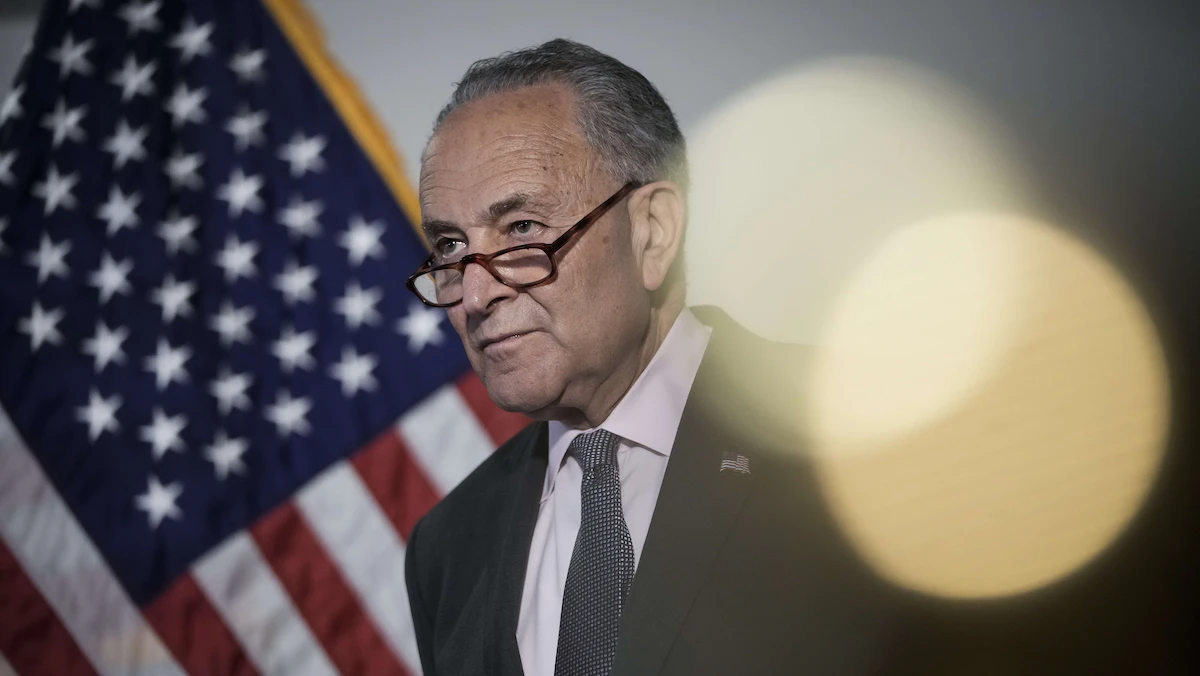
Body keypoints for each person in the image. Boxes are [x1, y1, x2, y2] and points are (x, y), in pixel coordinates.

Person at [402, 39, 904, 676]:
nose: (475, 295)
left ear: (653, 232)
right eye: (451, 247)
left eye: (522, 229)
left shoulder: (867, 437)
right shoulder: (448, 547)